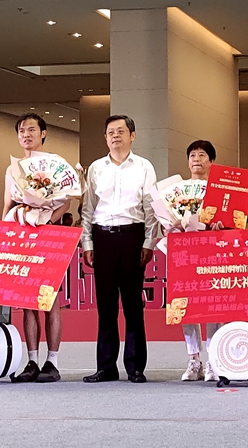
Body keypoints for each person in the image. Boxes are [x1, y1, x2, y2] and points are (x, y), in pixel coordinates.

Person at [80, 115, 159, 384]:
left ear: (132, 136)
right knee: (105, 306)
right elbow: (87, 208)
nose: (115, 136)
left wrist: (149, 242)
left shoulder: (144, 167)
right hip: (102, 238)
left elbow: (151, 209)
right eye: (110, 132)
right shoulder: (96, 168)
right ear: (105, 138)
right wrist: (87, 243)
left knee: (133, 305)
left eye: (121, 131)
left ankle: (135, 366)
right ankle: (106, 366)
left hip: (131, 236)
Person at [3, 113, 70, 383]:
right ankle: (31, 360)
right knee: (27, 302)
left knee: (49, 299)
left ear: (43, 133)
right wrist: (6, 235)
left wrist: (46, 219)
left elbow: (66, 202)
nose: (26, 134)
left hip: (47, 233)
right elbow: (7, 205)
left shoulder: (55, 164)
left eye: (32, 129)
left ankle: (51, 362)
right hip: (20, 234)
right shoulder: (12, 169)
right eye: (21, 130)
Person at [179, 140, 222, 382]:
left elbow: (230, 220)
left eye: (202, 155)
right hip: (185, 252)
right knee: (186, 307)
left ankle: (213, 361)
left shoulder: (219, 191)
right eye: (192, 154)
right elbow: (167, 220)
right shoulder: (178, 190)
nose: (196, 159)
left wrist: (219, 224)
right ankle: (193, 359)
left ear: (211, 161)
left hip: (212, 251)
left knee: (213, 305)